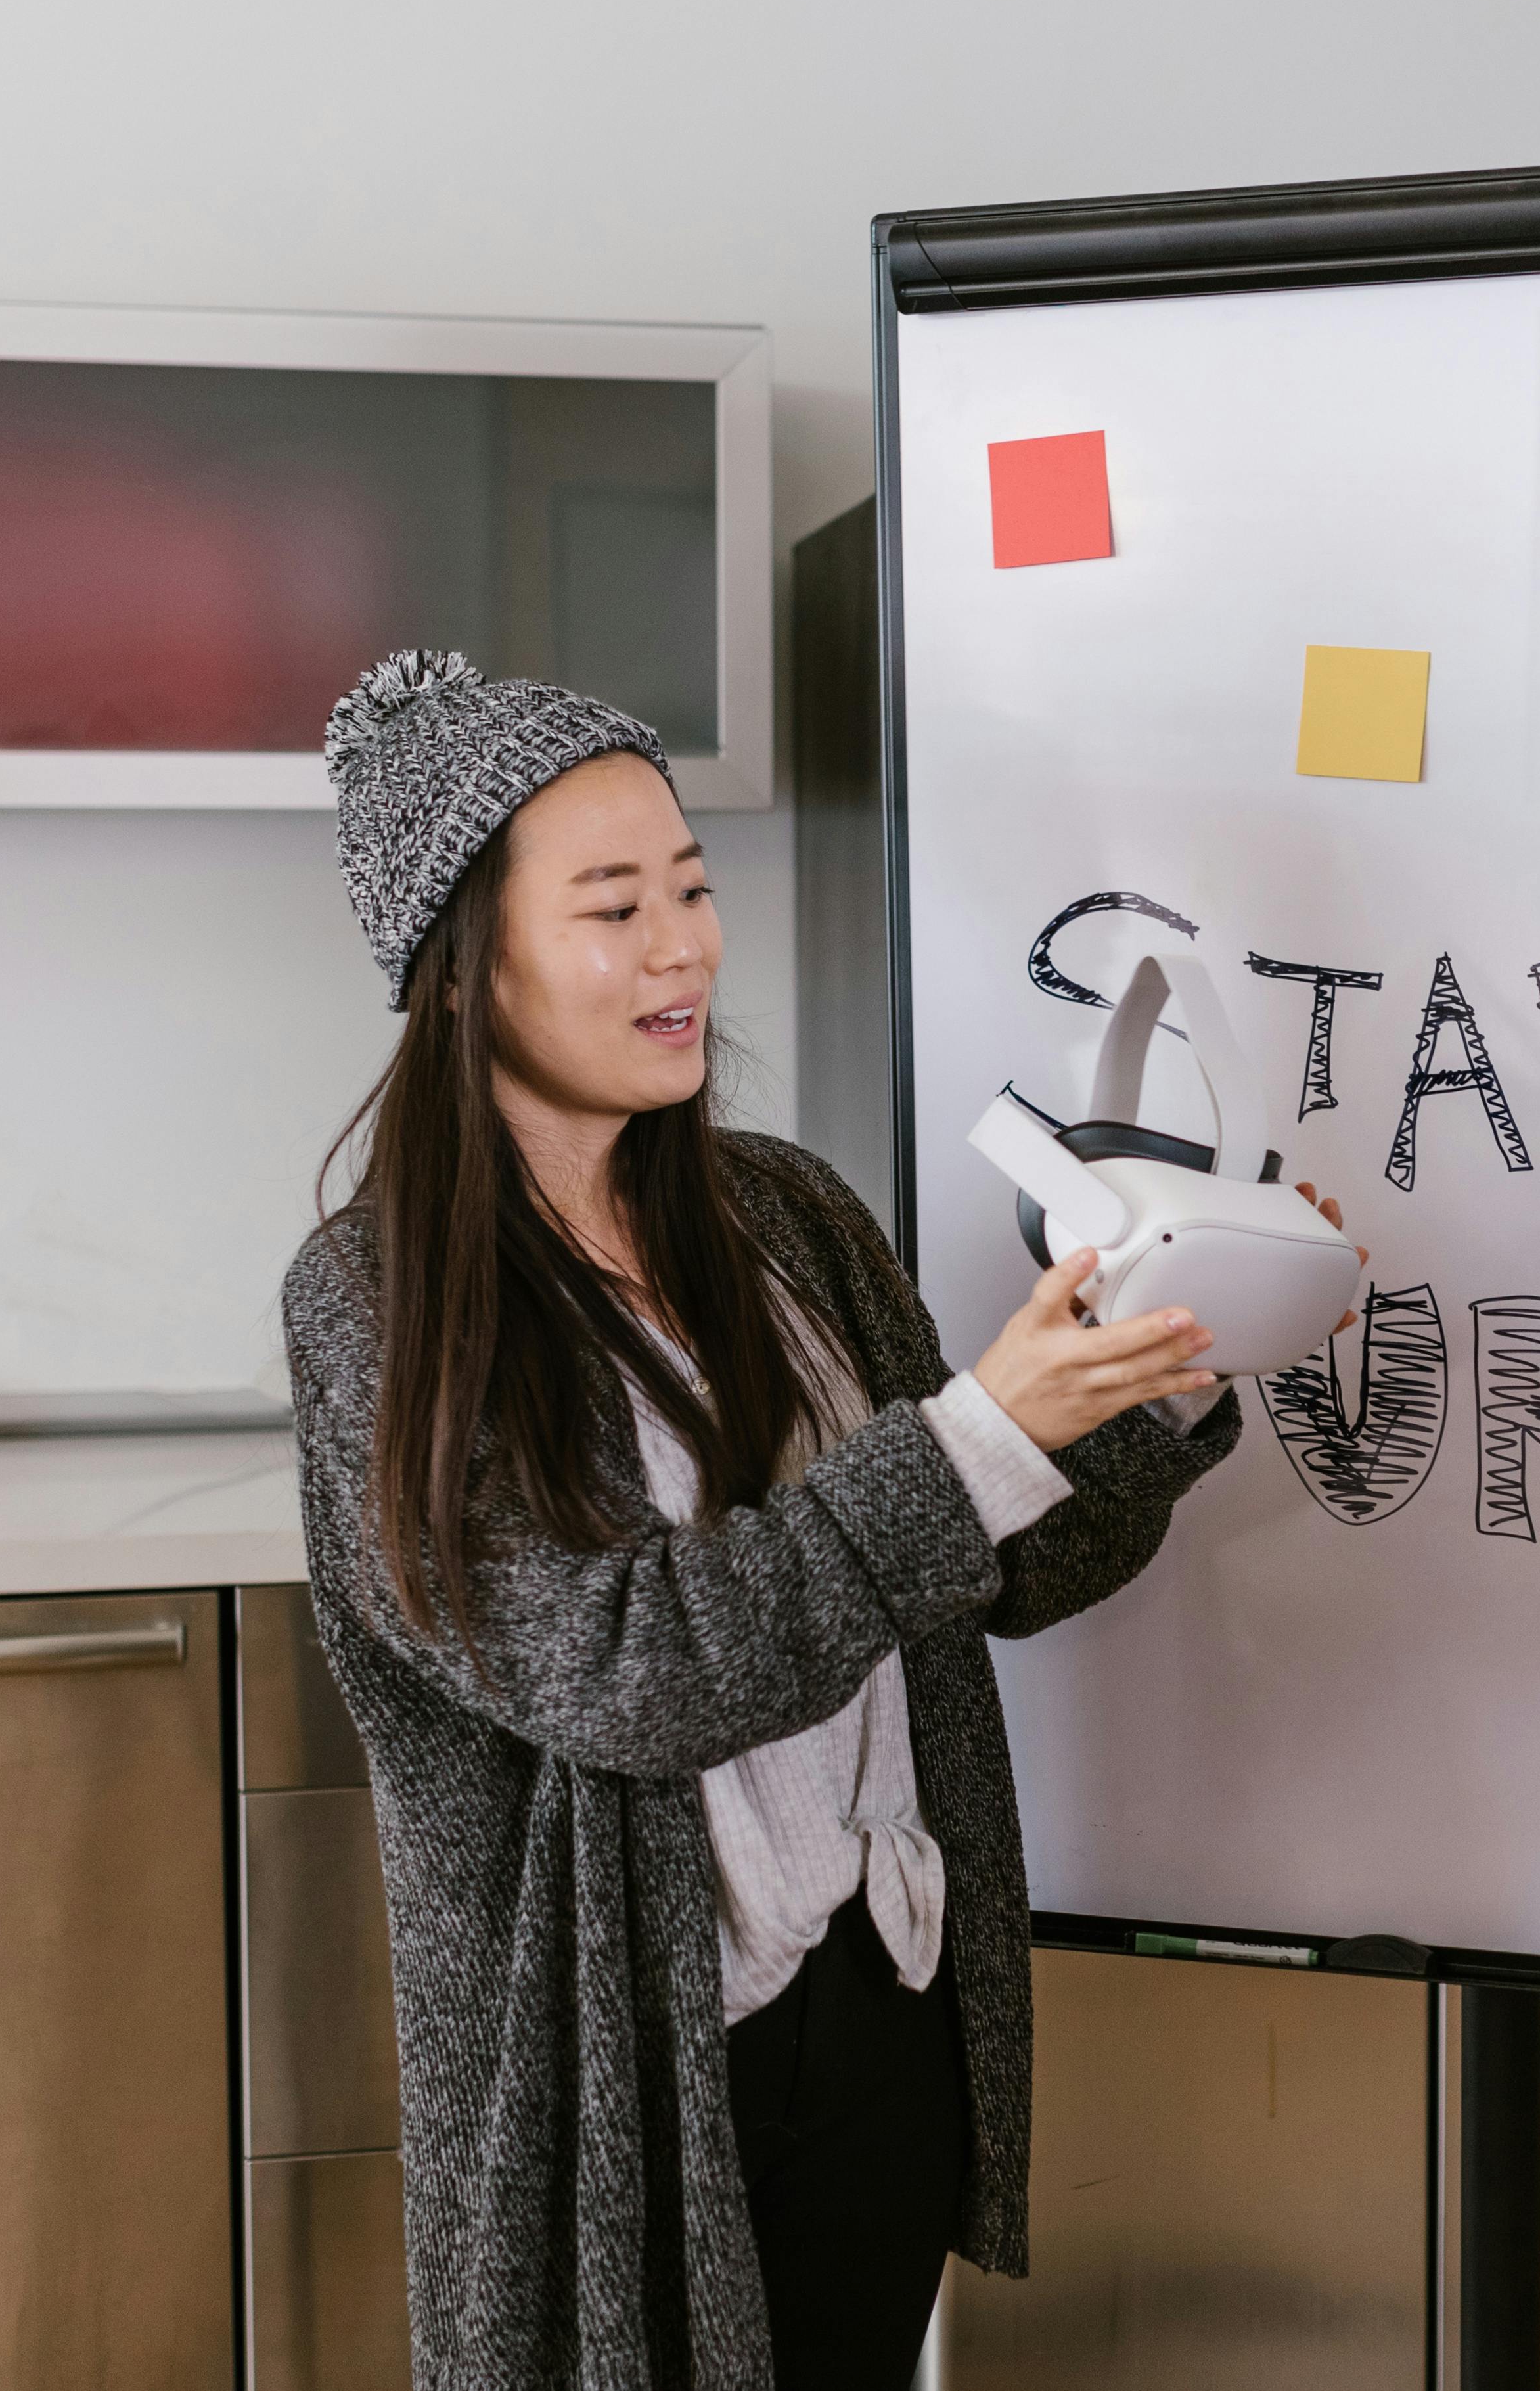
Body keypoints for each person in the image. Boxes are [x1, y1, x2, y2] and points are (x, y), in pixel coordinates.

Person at [279, 649, 1348, 2390]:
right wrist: (979, 1434)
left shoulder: (783, 1217)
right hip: (640, 2082)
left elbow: (995, 1570)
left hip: (881, 2002)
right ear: (465, 976)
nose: (687, 945)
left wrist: (1165, 1364)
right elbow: (627, 1676)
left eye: (692, 888)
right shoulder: (381, 1305)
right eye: (615, 908)